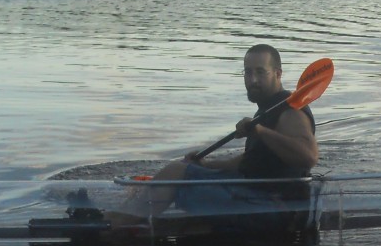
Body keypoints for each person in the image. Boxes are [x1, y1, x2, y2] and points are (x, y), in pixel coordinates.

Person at [116, 44, 319, 225]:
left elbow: (308, 157)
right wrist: (206, 165)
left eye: (260, 72)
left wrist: (259, 130)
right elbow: (251, 162)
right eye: (247, 72)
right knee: (186, 167)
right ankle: (119, 219)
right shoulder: (268, 109)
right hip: (257, 198)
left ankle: (114, 226)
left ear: (277, 73)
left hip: (275, 210)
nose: (253, 79)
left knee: (175, 172)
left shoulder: (290, 111)